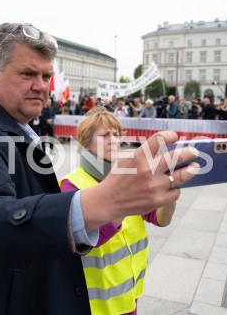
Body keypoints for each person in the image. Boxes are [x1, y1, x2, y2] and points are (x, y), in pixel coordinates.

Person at [0, 22, 198, 315]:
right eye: (27, 73)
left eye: (46, 75)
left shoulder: (10, 126)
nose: (41, 85)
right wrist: (107, 201)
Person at [60, 107, 176, 315]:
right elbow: (90, 238)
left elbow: (160, 219)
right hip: (96, 305)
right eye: (105, 135)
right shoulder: (70, 185)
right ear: (86, 143)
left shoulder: (127, 177)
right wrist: (125, 195)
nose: (113, 140)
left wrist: (172, 190)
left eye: (116, 135)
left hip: (129, 295)